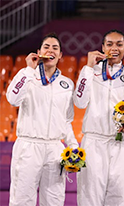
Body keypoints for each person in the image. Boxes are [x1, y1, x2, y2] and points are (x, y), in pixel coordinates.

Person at [74, 29, 124, 206]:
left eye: (119, 44)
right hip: (94, 142)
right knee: (89, 196)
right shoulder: (91, 72)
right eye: (110, 44)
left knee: (119, 196)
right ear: (102, 47)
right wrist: (88, 67)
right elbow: (80, 101)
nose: (114, 48)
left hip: (122, 143)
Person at [6, 33, 79, 206]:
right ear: (39, 51)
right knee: (22, 200)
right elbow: (12, 99)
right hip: (28, 146)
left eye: (55, 48)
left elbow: (66, 120)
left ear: (60, 55)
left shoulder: (67, 84)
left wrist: (73, 145)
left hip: (55, 149)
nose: (50, 50)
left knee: (54, 200)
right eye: (46, 47)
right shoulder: (28, 76)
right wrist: (29, 70)